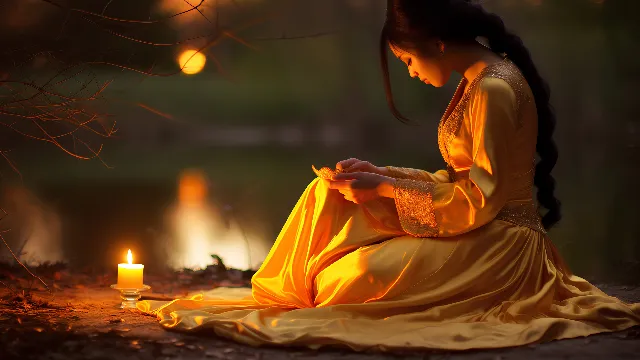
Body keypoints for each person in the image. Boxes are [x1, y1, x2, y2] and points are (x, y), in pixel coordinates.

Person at [139, 0, 640, 351]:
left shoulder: (494, 88)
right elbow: (456, 180)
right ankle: (299, 284)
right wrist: (382, 175)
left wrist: (386, 188)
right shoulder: (478, 81)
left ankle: (324, 285)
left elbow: (477, 203)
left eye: (405, 59)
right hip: (479, 228)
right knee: (326, 192)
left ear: (437, 44)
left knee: (356, 279)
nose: (408, 71)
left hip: (500, 247)